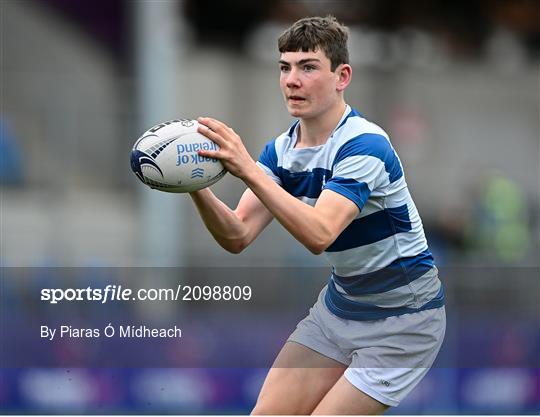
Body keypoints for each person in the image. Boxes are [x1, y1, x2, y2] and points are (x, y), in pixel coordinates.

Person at [190, 16, 445, 415]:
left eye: (308, 67)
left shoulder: (364, 144)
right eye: (285, 67)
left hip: (404, 323)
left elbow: (320, 233)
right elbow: (237, 235)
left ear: (342, 76)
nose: (292, 80)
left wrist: (249, 170)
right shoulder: (281, 151)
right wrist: (192, 185)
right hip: (339, 309)